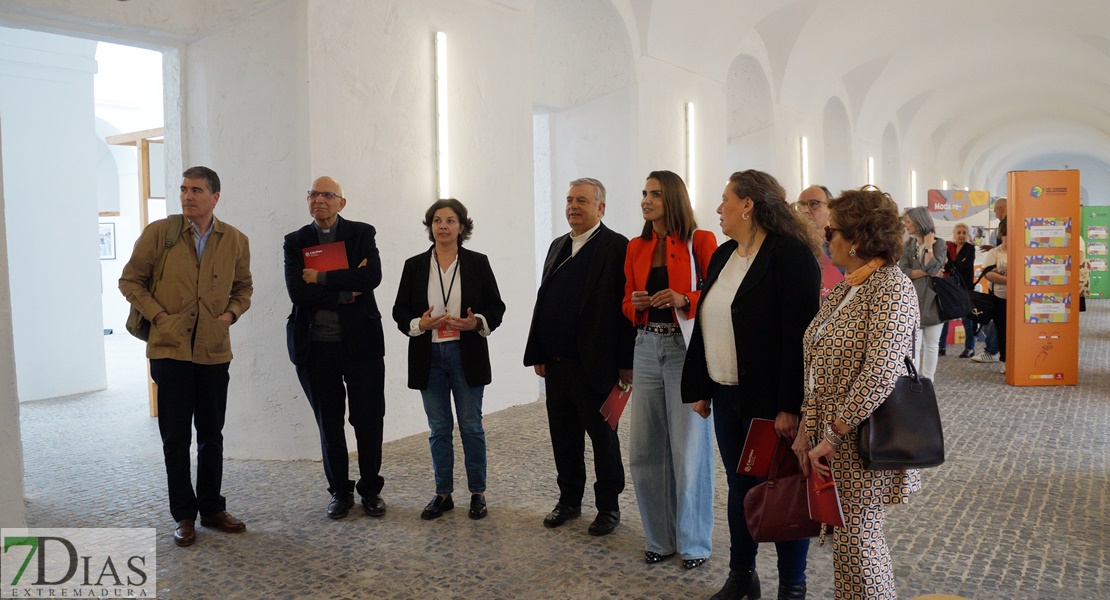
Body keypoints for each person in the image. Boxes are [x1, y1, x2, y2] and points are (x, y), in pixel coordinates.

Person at [681, 170, 821, 600]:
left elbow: (797, 336)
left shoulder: (791, 256)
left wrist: (789, 406)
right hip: (726, 395)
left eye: (726, 200)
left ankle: (791, 586)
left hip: (770, 402)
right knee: (740, 486)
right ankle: (742, 576)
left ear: (749, 205)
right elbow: (707, 322)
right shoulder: (723, 255)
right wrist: (700, 384)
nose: (719, 208)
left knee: (781, 488)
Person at [794, 186, 921, 600]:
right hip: (832, 439)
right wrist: (805, 427)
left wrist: (831, 434)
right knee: (847, 541)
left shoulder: (891, 287)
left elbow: (880, 374)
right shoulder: (850, 286)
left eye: (832, 231)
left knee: (860, 540)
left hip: (861, 440)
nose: (825, 237)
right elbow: (815, 361)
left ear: (858, 238)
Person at [119, 166, 253, 547]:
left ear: (215, 197)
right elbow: (130, 280)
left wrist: (229, 315)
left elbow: (244, 286)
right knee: (175, 437)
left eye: (196, 190)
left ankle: (212, 507)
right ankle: (184, 515)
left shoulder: (236, 240)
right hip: (170, 350)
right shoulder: (160, 233)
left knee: (212, 434)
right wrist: (159, 315)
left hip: (213, 350)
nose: (187, 196)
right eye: (183, 189)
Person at [523, 177, 634, 536]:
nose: (573, 206)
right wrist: (538, 349)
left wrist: (624, 363)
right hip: (557, 364)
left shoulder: (617, 247)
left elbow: (624, 311)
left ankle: (608, 507)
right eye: (570, 200)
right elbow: (545, 302)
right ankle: (569, 500)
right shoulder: (558, 245)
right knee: (564, 437)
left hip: (597, 366)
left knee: (603, 439)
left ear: (601, 207)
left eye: (582, 200)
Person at [622, 171, 717, 569]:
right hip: (646, 346)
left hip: (684, 348)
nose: (646, 200)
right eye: (644, 193)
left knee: (689, 448)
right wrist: (637, 304)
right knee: (645, 448)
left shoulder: (701, 240)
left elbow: (716, 294)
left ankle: (694, 542)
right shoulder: (636, 246)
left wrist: (684, 298)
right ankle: (659, 538)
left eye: (656, 194)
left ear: (673, 198)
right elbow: (625, 302)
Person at [392, 198, 506, 521]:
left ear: (461, 227)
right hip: (428, 355)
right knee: (438, 428)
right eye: (437, 220)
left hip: (465, 352)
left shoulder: (478, 263)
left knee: (471, 426)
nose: (443, 226)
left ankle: (477, 493)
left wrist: (476, 323)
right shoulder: (414, 265)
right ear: (430, 227)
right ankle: (443, 493)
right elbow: (399, 310)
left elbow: (497, 308)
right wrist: (420, 324)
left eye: (451, 220)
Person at [284, 176, 387, 520]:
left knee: (368, 420)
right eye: (313, 194)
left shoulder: (362, 234)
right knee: (329, 423)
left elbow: (371, 277)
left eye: (328, 195)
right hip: (316, 348)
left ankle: (371, 490)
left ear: (342, 203)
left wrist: (322, 277)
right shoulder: (295, 242)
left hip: (362, 345)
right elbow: (299, 294)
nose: (319, 200)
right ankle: (340, 491)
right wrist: (347, 287)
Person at [898, 207, 946, 381]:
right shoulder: (907, 245)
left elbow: (933, 267)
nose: (906, 225)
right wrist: (928, 271)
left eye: (908, 222)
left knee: (932, 345)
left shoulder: (939, 243)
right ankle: (914, 383)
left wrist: (928, 247)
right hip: (912, 301)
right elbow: (903, 271)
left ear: (919, 222)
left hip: (933, 302)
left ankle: (929, 383)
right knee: (913, 347)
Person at [796, 184, 844, 301]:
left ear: (831, 211)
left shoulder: (844, 247)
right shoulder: (793, 248)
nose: (805, 210)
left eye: (814, 204)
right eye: (801, 205)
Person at [980, 218, 1009, 374]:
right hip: (999, 298)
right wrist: (1010, 280)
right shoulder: (994, 253)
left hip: (1019, 299)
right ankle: (1005, 359)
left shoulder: (1022, 251)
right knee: (1002, 330)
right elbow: (988, 274)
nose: (1008, 239)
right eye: (1005, 236)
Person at [945, 222, 978, 358]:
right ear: (954, 234)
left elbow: (963, 266)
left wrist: (951, 264)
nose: (961, 235)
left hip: (965, 288)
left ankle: (969, 348)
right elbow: (947, 268)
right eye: (958, 233)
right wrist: (952, 266)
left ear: (968, 235)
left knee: (967, 319)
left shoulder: (970, 249)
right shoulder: (949, 248)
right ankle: (941, 346)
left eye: (964, 233)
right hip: (951, 286)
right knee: (945, 317)